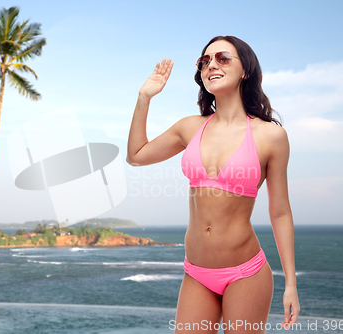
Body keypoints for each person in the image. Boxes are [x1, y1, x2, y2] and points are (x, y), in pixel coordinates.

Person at [126, 36, 300, 333]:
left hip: (246, 273)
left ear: (245, 69)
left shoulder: (270, 136)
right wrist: (144, 98)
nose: (211, 65)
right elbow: (136, 156)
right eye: (204, 61)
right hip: (196, 272)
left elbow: (280, 212)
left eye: (222, 58)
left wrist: (291, 284)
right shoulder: (190, 127)